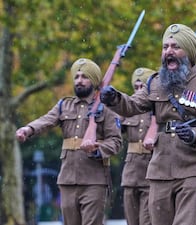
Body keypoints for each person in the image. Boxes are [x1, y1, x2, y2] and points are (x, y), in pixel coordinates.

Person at [99, 23, 196, 225]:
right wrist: (114, 98)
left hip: (195, 170)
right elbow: (132, 105)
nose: (169, 51)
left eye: (175, 47)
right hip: (160, 169)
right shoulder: (156, 82)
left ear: (190, 52)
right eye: (165, 47)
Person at [15, 58, 122, 225]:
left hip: (94, 180)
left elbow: (115, 141)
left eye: (84, 77)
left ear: (93, 81)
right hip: (68, 179)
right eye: (76, 76)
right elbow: (46, 120)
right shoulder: (64, 105)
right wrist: (27, 129)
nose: (79, 80)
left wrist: (97, 149)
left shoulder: (107, 108)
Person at [120, 67, 156, 225]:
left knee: (147, 221)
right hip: (131, 174)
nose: (139, 91)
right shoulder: (127, 112)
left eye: (143, 88)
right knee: (132, 220)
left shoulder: (158, 110)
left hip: (151, 173)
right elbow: (112, 132)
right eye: (136, 88)